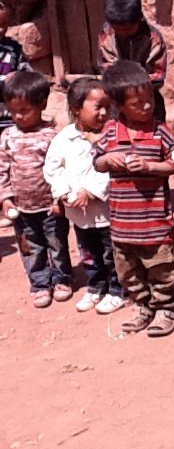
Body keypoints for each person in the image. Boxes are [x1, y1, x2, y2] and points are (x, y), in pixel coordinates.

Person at [93, 61, 174, 337]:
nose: (146, 107)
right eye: (138, 103)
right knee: (128, 270)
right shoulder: (110, 132)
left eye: (149, 101)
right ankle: (143, 305)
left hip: (154, 220)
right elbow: (97, 162)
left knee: (161, 266)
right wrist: (108, 159)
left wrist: (150, 168)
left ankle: (166, 307)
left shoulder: (160, 132)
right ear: (119, 106)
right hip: (122, 223)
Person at [43, 78, 124, 314]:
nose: (103, 112)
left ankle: (116, 290)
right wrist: (63, 193)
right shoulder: (64, 138)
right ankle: (96, 287)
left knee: (111, 253)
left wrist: (90, 191)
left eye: (107, 107)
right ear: (77, 109)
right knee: (88, 253)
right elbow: (52, 168)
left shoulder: (112, 136)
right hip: (79, 214)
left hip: (106, 213)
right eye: (97, 106)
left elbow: (113, 169)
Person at [0, 71, 71, 308]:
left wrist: (59, 198)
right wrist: (6, 199)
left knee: (56, 244)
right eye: (13, 111)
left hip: (50, 206)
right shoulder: (8, 136)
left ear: (42, 105)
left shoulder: (51, 136)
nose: (18, 116)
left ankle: (61, 279)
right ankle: (40, 283)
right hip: (21, 209)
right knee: (30, 248)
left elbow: (62, 169)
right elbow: (2, 170)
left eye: (24, 110)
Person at [97, 0, 168, 122]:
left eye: (127, 29)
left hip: (147, 96)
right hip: (118, 99)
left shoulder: (153, 39)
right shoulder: (107, 33)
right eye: (117, 29)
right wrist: (121, 91)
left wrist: (136, 91)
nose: (122, 33)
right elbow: (107, 68)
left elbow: (157, 75)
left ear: (140, 18)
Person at [0, 1, 31, 134]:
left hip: (10, 117)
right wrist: (5, 82)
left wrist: (18, 78)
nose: (1, 29)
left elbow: (27, 75)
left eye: (4, 24)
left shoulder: (14, 47)